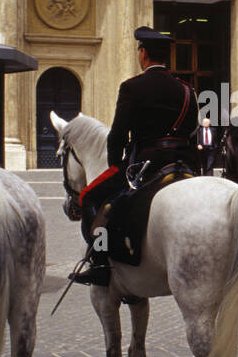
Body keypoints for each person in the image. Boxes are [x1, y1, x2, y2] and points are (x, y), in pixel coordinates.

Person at [72, 26, 199, 286]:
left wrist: (116, 167)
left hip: (146, 166)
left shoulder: (132, 87)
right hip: (183, 164)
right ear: (167, 57)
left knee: (94, 199)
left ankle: (100, 262)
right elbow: (192, 131)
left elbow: (117, 135)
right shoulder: (188, 91)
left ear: (143, 54)